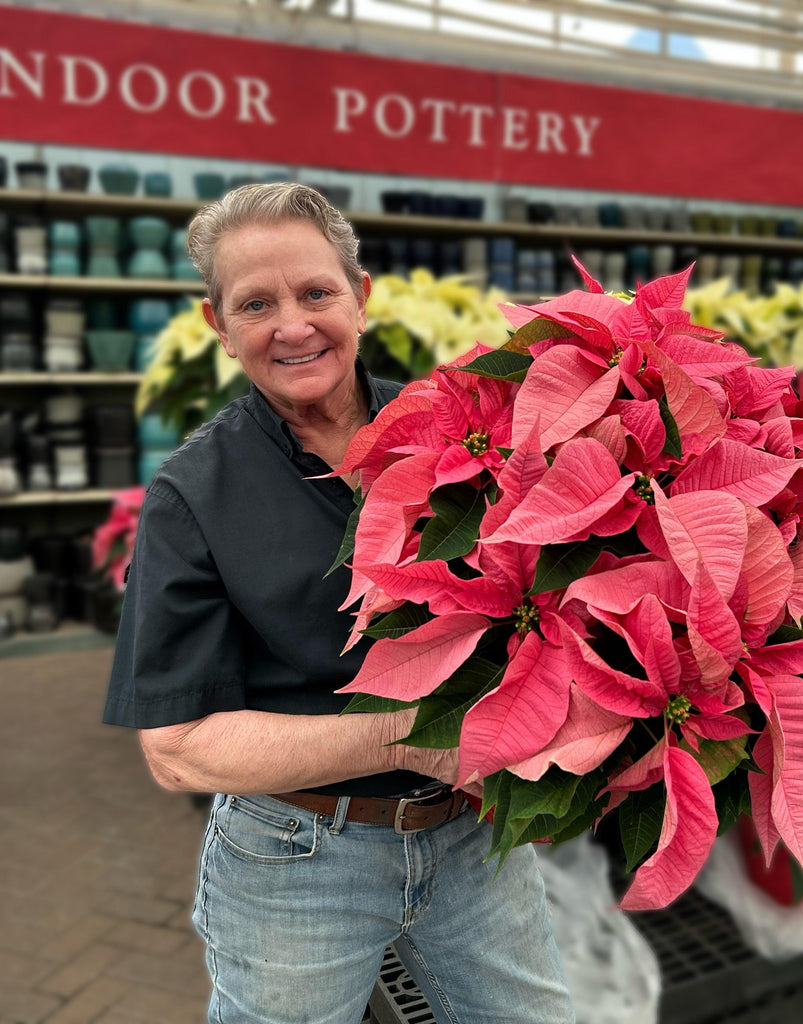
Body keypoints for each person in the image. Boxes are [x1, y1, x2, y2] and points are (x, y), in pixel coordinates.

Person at [103, 182, 574, 1024]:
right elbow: (180, 751)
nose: (292, 325)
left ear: (360, 297)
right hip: (297, 856)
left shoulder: (464, 433)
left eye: (315, 292)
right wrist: (427, 741)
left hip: (468, 837)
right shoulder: (194, 494)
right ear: (219, 326)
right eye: (256, 303)